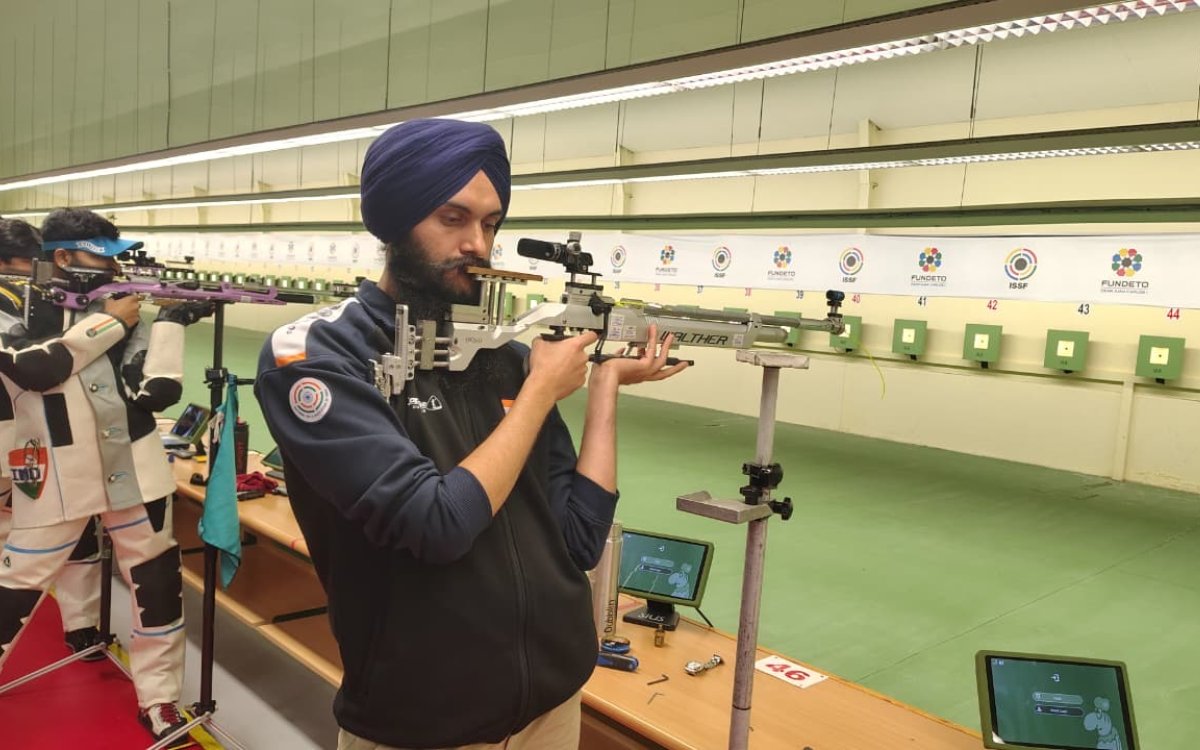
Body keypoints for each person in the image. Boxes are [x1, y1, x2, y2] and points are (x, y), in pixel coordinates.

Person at [256, 118, 688, 749]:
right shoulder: (320, 353)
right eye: (452, 219)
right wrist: (540, 392)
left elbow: (579, 539)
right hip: (425, 724)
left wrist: (603, 387)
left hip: (553, 704)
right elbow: (433, 525)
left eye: (489, 224)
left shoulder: (505, 358)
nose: (477, 243)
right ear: (395, 221)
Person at [0, 209, 211, 744]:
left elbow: (154, 394)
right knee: (15, 592)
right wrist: (113, 321)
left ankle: (160, 702)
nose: (113, 265)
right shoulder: (13, 306)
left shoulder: (120, 308)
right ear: (63, 258)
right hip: (52, 472)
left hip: (136, 469)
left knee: (159, 588)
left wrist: (166, 325)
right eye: (101, 253)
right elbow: (33, 369)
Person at [0, 218, 104, 661]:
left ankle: (82, 627)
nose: (35, 272)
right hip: (13, 434)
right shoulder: (11, 305)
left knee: (81, 532)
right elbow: (39, 365)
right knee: (25, 545)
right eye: (27, 263)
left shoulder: (36, 300)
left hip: (36, 434)